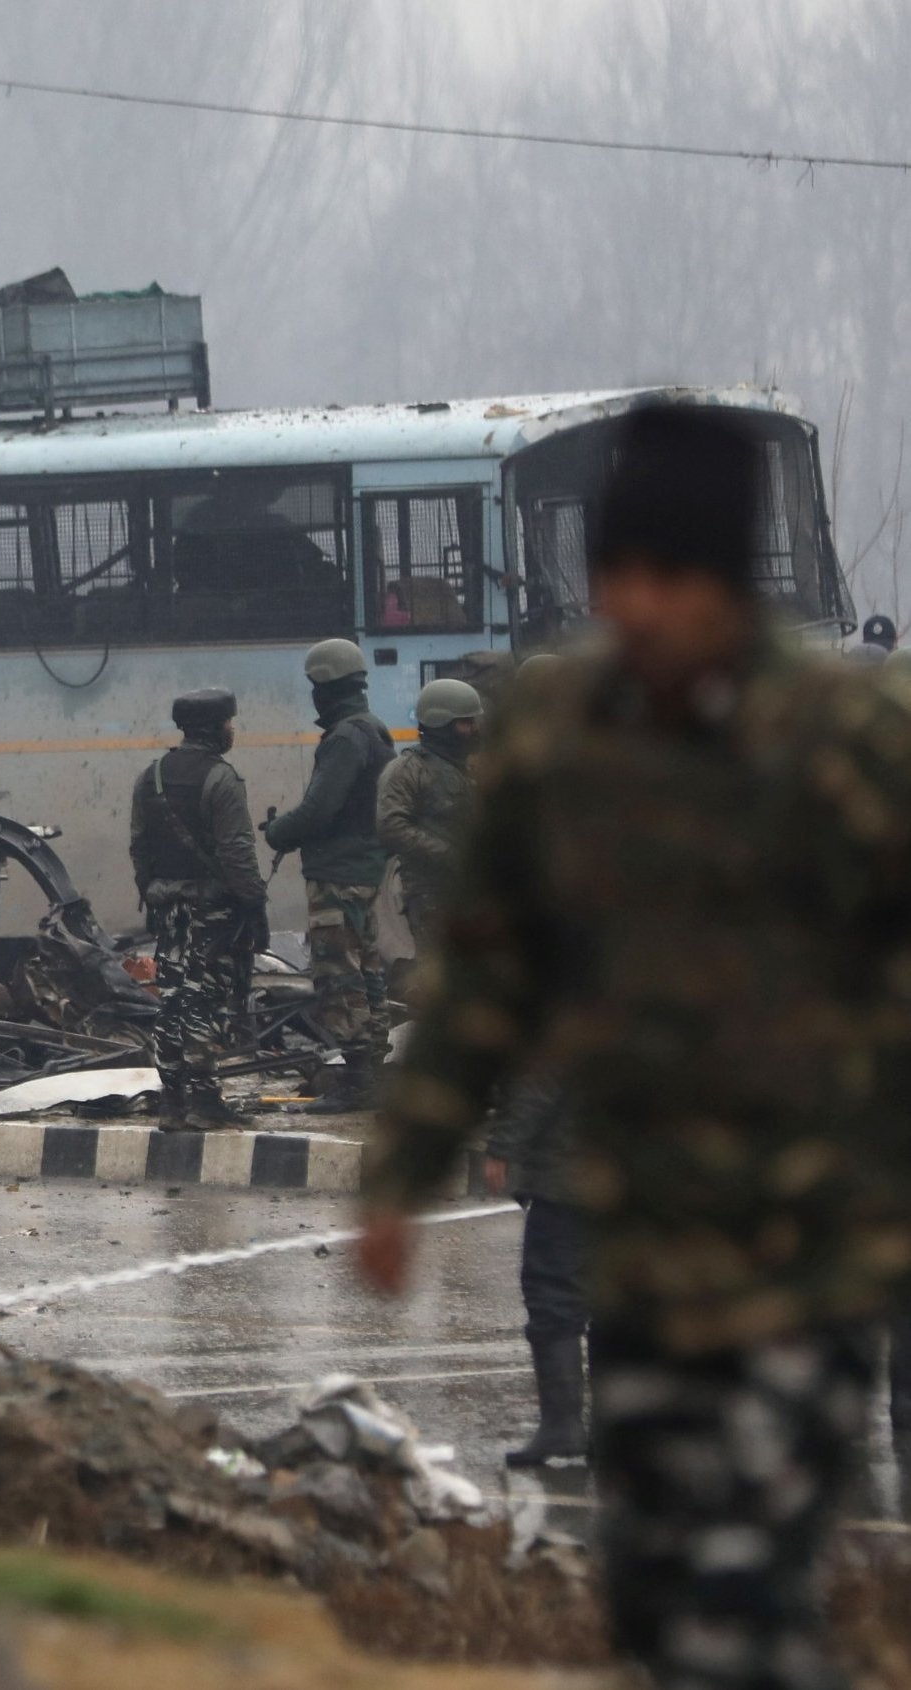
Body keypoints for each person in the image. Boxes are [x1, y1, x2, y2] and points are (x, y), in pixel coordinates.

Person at [360, 402, 911, 1690]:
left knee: (770, 1558)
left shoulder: (848, 736)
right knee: (660, 1577)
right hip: (647, 1235)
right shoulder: (559, 731)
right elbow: (488, 966)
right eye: (618, 579)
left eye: (671, 579)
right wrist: (405, 1166)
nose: (640, 609)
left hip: (814, 1238)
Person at [260, 638, 396, 1112]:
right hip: (364, 870)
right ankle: (373, 1075)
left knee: (339, 977)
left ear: (325, 687)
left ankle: (359, 1082)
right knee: (367, 975)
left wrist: (277, 831)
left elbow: (318, 810)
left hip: (338, 873)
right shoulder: (374, 730)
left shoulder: (344, 738)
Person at [129, 687, 266, 1128]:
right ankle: (205, 1102)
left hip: (169, 907)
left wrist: (151, 893)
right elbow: (237, 851)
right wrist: (254, 903)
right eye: (229, 721)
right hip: (213, 911)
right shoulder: (221, 779)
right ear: (215, 727)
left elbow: (139, 847)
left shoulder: (152, 777)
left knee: (171, 999)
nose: (233, 728)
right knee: (205, 999)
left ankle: (173, 1099)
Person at [481, 1075, 588, 1467]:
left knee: (552, 1292)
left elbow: (538, 1084)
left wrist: (503, 1146)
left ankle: (563, 1426)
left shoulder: (562, 1017)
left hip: (569, 1174)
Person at [375, 677, 482, 960]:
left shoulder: (468, 768)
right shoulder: (408, 769)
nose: (474, 729)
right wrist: (447, 853)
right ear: (441, 724)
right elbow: (391, 826)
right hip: (432, 895)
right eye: (465, 723)